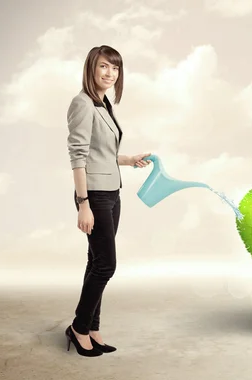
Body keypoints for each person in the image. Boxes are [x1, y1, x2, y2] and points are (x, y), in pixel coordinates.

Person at [64, 45, 151, 357]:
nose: (109, 73)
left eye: (114, 68)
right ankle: (79, 327)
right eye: (103, 66)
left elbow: (100, 153)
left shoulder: (103, 104)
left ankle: (93, 327)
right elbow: (78, 156)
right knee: (107, 265)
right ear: (91, 68)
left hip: (112, 193)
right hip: (95, 196)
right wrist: (83, 203)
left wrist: (128, 159)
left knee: (96, 261)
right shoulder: (83, 103)